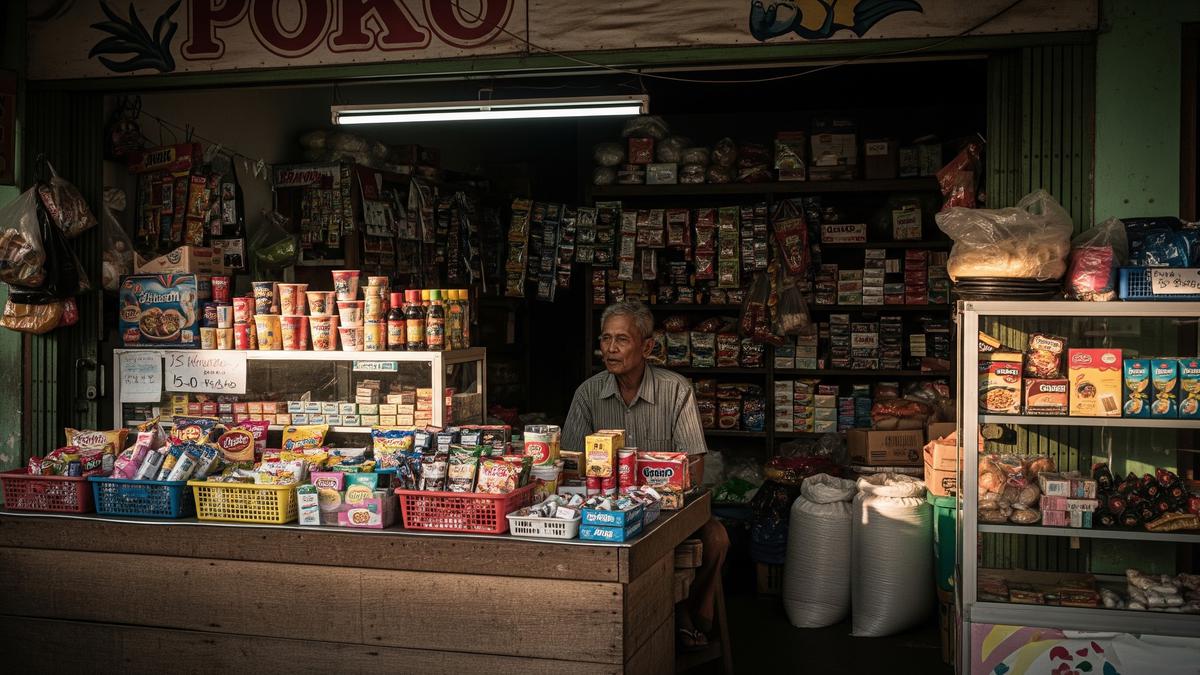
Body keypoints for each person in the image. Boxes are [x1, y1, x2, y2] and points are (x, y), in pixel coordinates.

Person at [562, 300, 729, 651]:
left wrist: (668, 505)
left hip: (668, 510)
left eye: (621, 340)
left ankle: (688, 612)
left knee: (716, 539)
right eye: (605, 339)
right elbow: (571, 464)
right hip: (605, 510)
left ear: (647, 347)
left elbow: (694, 462)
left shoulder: (675, 390)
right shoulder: (588, 394)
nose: (610, 349)